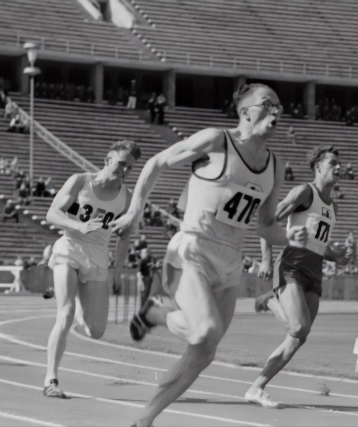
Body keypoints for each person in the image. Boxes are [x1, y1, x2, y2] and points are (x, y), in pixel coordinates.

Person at [110, 83, 304, 427]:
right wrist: (135, 211)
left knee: (204, 352)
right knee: (205, 330)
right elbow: (157, 162)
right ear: (245, 112)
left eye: (279, 106)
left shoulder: (275, 164)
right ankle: (153, 313)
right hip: (192, 251)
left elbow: (265, 226)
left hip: (230, 264)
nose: (276, 110)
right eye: (266, 104)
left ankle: (143, 421)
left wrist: (292, 236)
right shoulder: (217, 140)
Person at [248, 145, 350, 407]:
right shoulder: (305, 192)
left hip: (314, 273)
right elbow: (267, 221)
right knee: (298, 327)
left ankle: (257, 387)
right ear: (318, 167)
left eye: (340, 164)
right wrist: (267, 259)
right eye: (333, 163)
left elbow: (318, 243)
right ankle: (270, 300)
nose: (339, 168)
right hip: (291, 265)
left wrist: (334, 255)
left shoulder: (333, 206)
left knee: (299, 337)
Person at [42, 140, 141, 398]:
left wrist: (117, 272)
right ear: (108, 159)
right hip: (70, 247)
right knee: (65, 313)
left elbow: (125, 238)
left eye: (130, 168)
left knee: (95, 331)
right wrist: (79, 226)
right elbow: (52, 214)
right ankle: (50, 379)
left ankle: (70, 290)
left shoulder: (127, 198)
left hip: (98, 259)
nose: (125, 171)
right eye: (121, 164)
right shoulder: (80, 181)